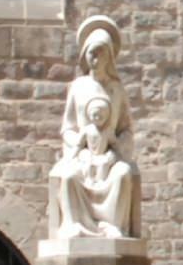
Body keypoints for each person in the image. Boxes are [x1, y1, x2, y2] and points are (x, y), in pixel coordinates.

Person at [46, 18, 139, 240]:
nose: (95, 59)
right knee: (67, 176)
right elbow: (67, 127)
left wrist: (115, 145)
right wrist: (78, 143)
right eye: (91, 53)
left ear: (109, 56)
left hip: (110, 157)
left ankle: (112, 226)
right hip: (82, 157)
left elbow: (125, 128)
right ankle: (75, 225)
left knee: (123, 174)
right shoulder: (78, 88)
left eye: (100, 53)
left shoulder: (116, 90)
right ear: (85, 55)